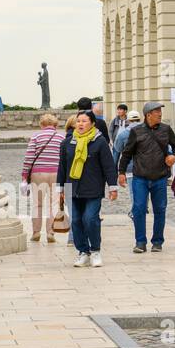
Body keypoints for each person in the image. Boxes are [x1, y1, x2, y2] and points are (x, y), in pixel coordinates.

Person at [56, 111, 117, 267]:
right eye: (78, 121)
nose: (81, 124)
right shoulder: (67, 143)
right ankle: (83, 252)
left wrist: (112, 187)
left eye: (84, 121)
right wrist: (60, 188)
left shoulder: (100, 142)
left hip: (93, 187)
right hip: (71, 187)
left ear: (92, 123)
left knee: (90, 219)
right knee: (76, 220)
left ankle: (95, 250)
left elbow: (108, 166)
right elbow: (62, 167)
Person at [117, 101, 175, 253]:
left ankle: (157, 241)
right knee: (138, 209)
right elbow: (126, 153)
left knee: (160, 209)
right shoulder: (136, 131)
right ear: (148, 114)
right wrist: (121, 172)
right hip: (140, 178)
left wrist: (174, 156)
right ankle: (140, 242)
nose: (160, 113)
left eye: (160, 111)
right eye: (157, 111)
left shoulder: (166, 129)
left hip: (160, 177)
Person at [21, 113, 65, 243]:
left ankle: (35, 232)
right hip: (56, 173)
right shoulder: (61, 137)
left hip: (38, 173)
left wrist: (24, 175)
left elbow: (29, 157)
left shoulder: (36, 136)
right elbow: (64, 157)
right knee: (53, 205)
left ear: (42, 125)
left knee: (37, 204)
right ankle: (50, 232)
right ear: (56, 125)